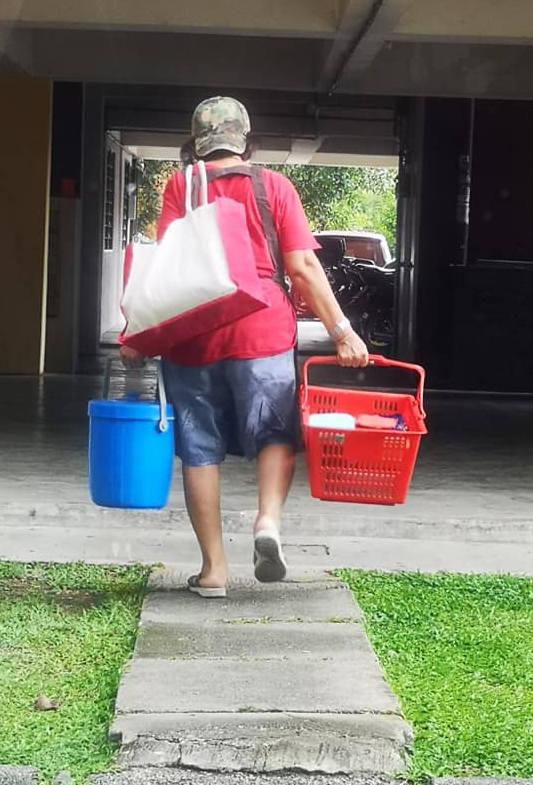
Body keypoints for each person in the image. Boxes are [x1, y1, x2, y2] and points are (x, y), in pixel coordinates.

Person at [121, 96, 368, 597]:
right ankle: (267, 523)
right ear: (245, 140)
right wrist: (342, 330)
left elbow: (173, 269)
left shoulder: (181, 186)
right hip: (262, 327)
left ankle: (214, 571)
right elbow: (301, 268)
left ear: (197, 144)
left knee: (199, 448)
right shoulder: (274, 186)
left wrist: (137, 332)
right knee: (275, 432)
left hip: (195, 332)